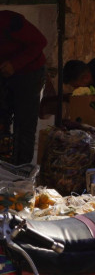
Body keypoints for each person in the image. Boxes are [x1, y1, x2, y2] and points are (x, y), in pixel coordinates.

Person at [0, 11, 47, 165]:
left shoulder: (10, 21)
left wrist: (15, 64)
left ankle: (22, 168)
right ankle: (4, 163)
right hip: (4, 73)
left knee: (24, 122)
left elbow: (40, 42)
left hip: (29, 72)